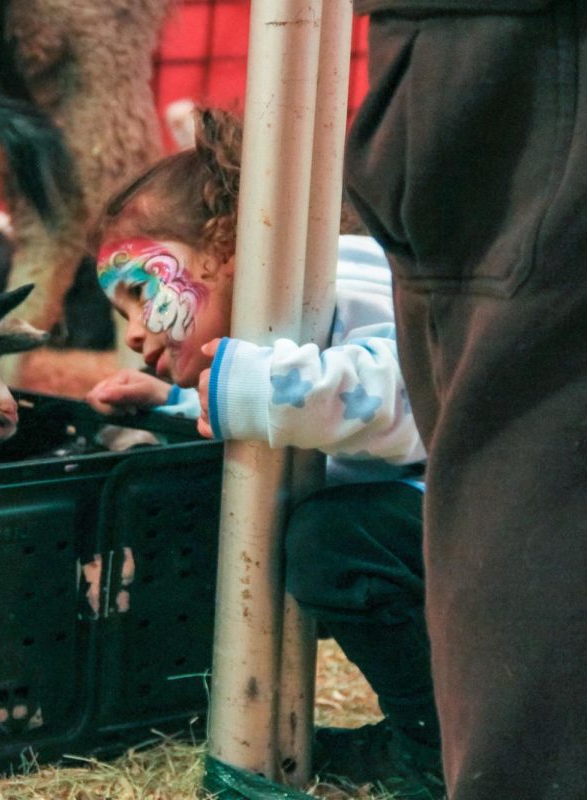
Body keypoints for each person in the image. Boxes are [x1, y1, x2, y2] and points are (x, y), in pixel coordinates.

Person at [85, 108, 441, 798]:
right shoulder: (288, 330)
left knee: (333, 543)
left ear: (226, 243)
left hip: (484, 526)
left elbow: (398, 398)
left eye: (140, 294)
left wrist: (246, 387)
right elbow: (302, 407)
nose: (133, 331)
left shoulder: (351, 274)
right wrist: (178, 408)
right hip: (437, 527)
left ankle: (434, 750)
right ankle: (424, 726)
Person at [342, 2, 587, 799]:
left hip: (530, 50)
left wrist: (237, 388)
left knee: (536, 459)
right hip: (531, 46)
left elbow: (374, 400)